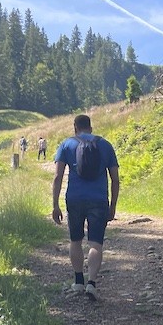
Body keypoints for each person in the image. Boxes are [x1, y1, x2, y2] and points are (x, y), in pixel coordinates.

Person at [51, 115, 120, 301]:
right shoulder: (105, 145)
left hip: (74, 199)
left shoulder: (66, 145)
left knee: (75, 240)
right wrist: (112, 206)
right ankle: (92, 283)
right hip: (98, 199)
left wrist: (55, 204)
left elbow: (57, 177)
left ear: (75, 127)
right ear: (91, 126)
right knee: (96, 243)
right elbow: (115, 179)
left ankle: (78, 280)